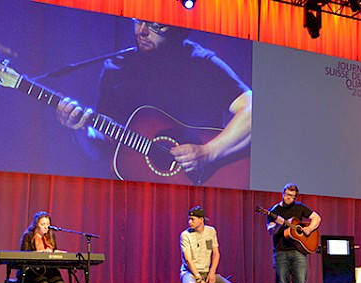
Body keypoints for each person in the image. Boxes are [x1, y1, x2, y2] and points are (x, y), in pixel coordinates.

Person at [55, 18, 251, 186]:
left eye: (155, 25)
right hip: (133, 191)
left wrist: (208, 153)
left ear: (178, 28)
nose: (142, 31)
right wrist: (81, 130)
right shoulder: (116, 69)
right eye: (138, 21)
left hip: (196, 192)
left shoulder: (202, 64)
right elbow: (102, 151)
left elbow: (252, 109)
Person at [266, 183, 321, 283]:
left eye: (291, 196)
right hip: (280, 252)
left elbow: (317, 218)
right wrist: (278, 224)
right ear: (282, 193)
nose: (288, 197)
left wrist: (309, 229)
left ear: (295, 197)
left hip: (299, 251)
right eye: (286, 194)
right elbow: (270, 231)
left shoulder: (300, 207)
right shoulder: (274, 211)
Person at [177, 206, 236, 283]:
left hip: (206, 271)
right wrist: (199, 279)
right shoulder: (185, 235)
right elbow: (188, 260)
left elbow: (216, 253)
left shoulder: (211, 232)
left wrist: (212, 272)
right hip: (189, 272)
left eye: (193, 219)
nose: (189, 222)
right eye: (189, 219)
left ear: (201, 220)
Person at [20, 211, 66, 283]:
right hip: (32, 269)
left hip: (48, 268)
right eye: (43, 224)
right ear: (36, 225)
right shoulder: (28, 236)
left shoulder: (51, 236)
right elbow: (24, 254)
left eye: (48, 224)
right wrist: (40, 252)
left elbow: (52, 252)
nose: (46, 227)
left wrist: (55, 252)